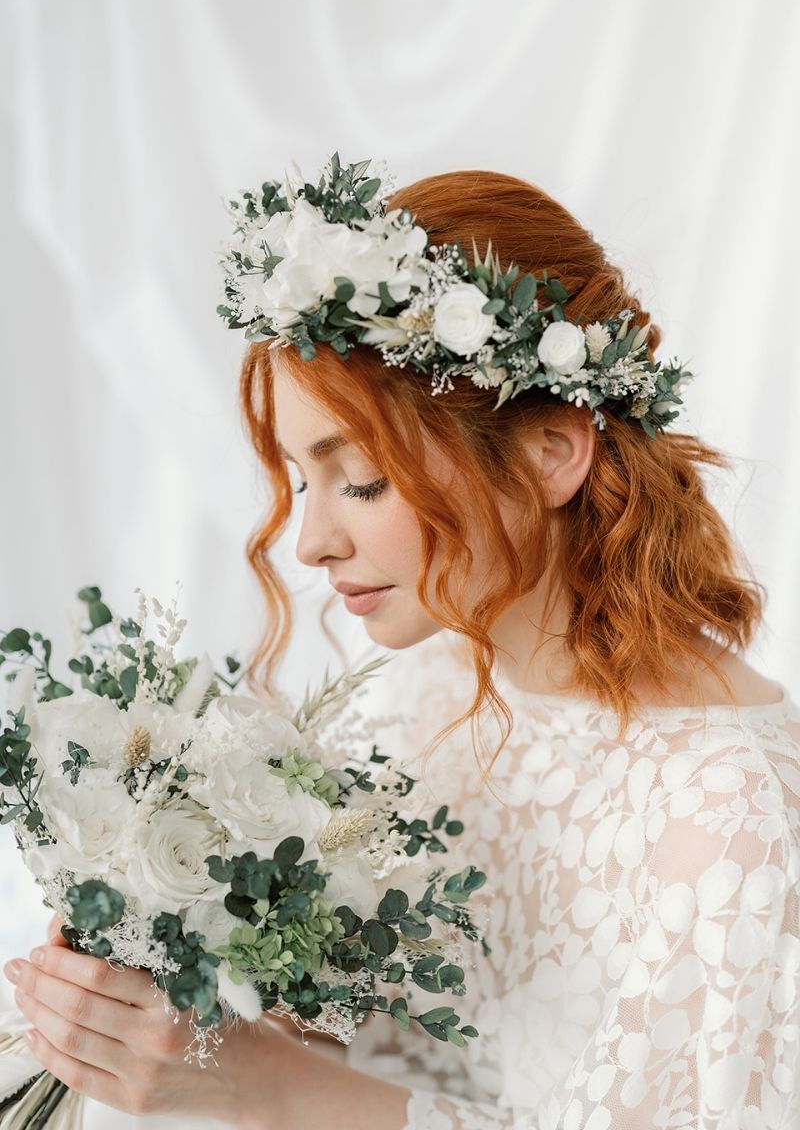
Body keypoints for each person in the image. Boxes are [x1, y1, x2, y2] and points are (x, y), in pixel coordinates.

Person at [4, 156, 799, 1128]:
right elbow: (483, 1073)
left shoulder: (729, 819)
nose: (310, 540)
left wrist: (275, 1090)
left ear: (551, 451)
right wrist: (200, 982)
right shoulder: (429, 693)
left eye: (362, 481)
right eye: (302, 480)